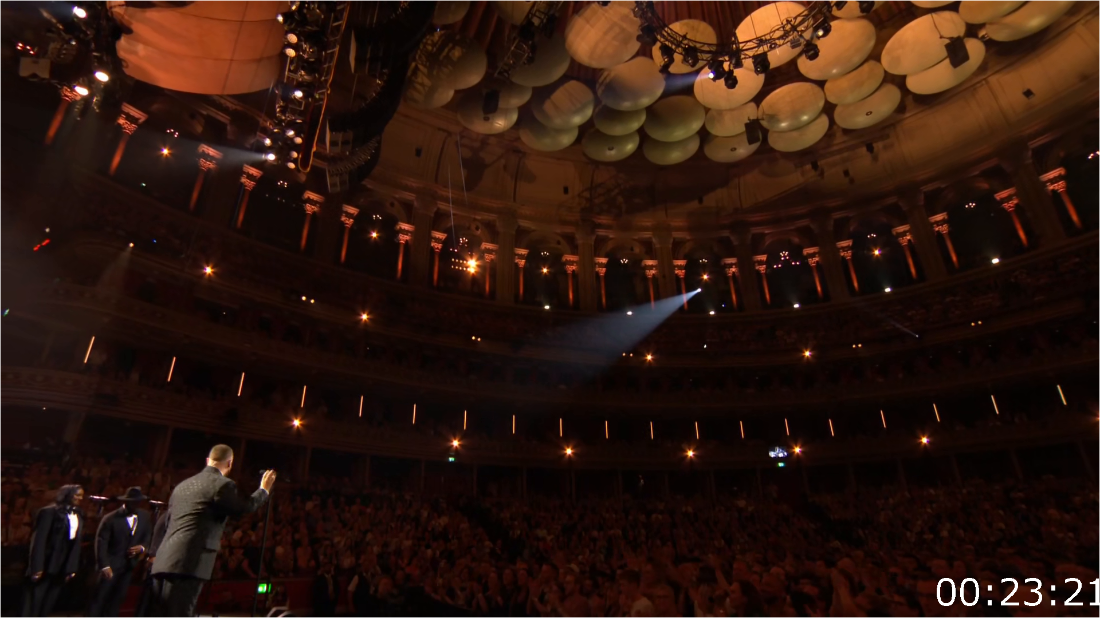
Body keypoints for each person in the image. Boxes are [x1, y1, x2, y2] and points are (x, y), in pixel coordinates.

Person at [151, 445, 275, 616]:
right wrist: (264, 490)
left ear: (207, 461)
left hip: (164, 559)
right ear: (230, 463)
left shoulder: (182, 485)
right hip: (189, 562)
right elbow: (244, 507)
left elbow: (166, 522)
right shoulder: (222, 484)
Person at [88, 486, 152, 617]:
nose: (137, 504)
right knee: (100, 598)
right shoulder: (110, 518)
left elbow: (147, 537)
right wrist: (104, 565)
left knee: (118, 599)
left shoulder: (145, 516)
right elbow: (101, 543)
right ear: (126, 501)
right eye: (134, 501)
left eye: (138, 501)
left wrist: (142, 548)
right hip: (110, 565)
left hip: (128, 567)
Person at [23, 484, 84, 617]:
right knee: (34, 601)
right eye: (77, 495)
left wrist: (71, 567)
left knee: (49, 602)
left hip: (63, 565)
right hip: (46, 562)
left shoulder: (78, 513)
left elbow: (76, 543)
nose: (80, 498)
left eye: (81, 496)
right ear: (67, 494)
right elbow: (39, 540)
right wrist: (37, 567)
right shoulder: (48, 512)